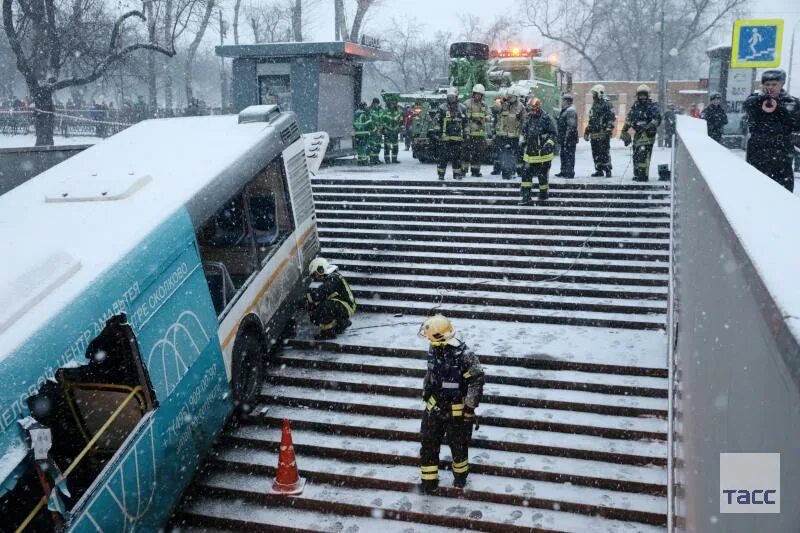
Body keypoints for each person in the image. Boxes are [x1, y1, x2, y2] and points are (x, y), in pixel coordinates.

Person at [418, 314, 484, 494]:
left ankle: (460, 478)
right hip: (434, 406)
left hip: (457, 410)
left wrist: (469, 408)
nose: (428, 341)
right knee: (428, 442)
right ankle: (428, 481)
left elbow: (476, 381)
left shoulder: (465, 356)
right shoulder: (434, 348)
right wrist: (426, 391)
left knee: (459, 446)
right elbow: (430, 374)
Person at [742, 69, 800, 192]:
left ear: (782, 84)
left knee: (782, 190)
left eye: (774, 84)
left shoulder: (792, 102)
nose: (770, 87)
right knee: (755, 189)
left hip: (781, 152)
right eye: (767, 84)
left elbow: (795, 124)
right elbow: (747, 106)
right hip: (758, 151)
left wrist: (779, 107)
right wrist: (761, 98)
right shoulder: (756, 99)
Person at [306, 257, 356, 340]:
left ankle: (328, 333)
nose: (316, 277)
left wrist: (309, 298)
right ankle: (341, 323)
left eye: (316, 274)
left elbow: (321, 293)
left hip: (347, 306)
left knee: (325, 307)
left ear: (321, 269)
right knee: (317, 310)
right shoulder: (332, 276)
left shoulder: (334, 278)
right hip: (343, 304)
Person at [620, 84, 662, 182]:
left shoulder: (653, 106)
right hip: (638, 135)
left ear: (648, 95)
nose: (642, 97)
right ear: (637, 95)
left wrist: (648, 126)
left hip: (648, 135)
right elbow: (629, 119)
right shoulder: (635, 107)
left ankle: (643, 175)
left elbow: (657, 118)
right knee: (636, 155)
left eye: (644, 95)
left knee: (644, 155)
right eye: (640, 95)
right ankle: (637, 173)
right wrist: (624, 130)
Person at [520, 98, 557, 204]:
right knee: (526, 174)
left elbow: (553, 134)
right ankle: (526, 197)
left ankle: (543, 196)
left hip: (543, 154)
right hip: (530, 153)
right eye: (530, 109)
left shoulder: (546, 118)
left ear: (537, 107)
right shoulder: (528, 118)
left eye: (533, 109)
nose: (531, 111)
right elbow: (524, 132)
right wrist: (523, 141)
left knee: (542, 176)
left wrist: (549, 144)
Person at [490, 86, 525, 179]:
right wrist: (502, 101)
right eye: (509, 96)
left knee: (514, 154)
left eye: (512, 97)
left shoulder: (520, 106)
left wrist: (523, 134)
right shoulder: (502, 104)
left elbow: (525, 120)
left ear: (516, 97)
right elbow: (494, 108)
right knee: (503, 154)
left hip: (514, 135)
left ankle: (513, 172)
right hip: (502, 135)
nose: (510, 98)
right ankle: (505, 171)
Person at [435, 87, 468, 180]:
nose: (451, 99)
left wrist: (466, 133)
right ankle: (441, 175)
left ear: (457, 97)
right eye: (450, 97)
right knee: (443, 157)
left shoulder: (462, 108)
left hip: (458, 138)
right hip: (445, 138)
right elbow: (437, 121)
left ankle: (457, 174)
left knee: (457, 158)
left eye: (453, 97)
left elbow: (466, 122)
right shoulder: (442, 108)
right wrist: (437, 130)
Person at [583, 84, 615, 177]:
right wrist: (587, 131)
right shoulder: (594, 105)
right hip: (594, 134)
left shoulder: (607, 104)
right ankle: (599, 170)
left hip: (603, 133)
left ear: (599, 93)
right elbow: (591, 120)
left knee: (604, 152)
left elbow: (611, 118)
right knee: (596, 153)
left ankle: (608, 170)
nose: (593, 95)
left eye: (594, 93)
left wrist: (609, 128)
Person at [464, 83, 488, 177]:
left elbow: (488, 115)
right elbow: (464, 115)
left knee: (478, 154)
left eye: (480, 94)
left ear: (482, 95)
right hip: (469, 133)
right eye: (476, 94)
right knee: (465, 153)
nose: (478, 96)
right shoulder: (467, 103)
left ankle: (475, 171)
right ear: (473, 94)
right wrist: (474, 120)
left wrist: (487, 118)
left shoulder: (484, 104)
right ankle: (463, 170)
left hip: (480, 134)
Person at [555, 92, 578, 179]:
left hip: (569, 138)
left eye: (563, 100)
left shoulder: (570, 111)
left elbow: (571, 126)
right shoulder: (565, 110)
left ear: (568, 101)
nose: (562, 102)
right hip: (564, 137)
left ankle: (569, 172)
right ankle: (563, 171)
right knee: (564, 154)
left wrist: (566, 138)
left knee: (569, 155)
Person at [381, 92, 403, 164]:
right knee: (387, 146)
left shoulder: (398, 112)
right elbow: (383, 122)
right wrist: (384, 129)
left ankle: (394, 159)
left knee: (395, 146)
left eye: (394, 103)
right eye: (391, 103)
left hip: (395, 132)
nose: (393, 105)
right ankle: (387, 159)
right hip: (388, 132)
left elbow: (400, 121)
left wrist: (400, 127)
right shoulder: (385, 112)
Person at [367, 97, 384, 165]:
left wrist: (380, 128)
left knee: (378, 146)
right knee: (372, 146)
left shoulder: (380, 110)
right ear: (373, 103)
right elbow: (369, 121)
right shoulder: (370, 110)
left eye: (377, 104)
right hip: (373, 131)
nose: (376, 105)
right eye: (375, 103)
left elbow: (382, 120)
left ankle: (376, 159)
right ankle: (372, 159)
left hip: (379, 131)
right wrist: (374, 128)